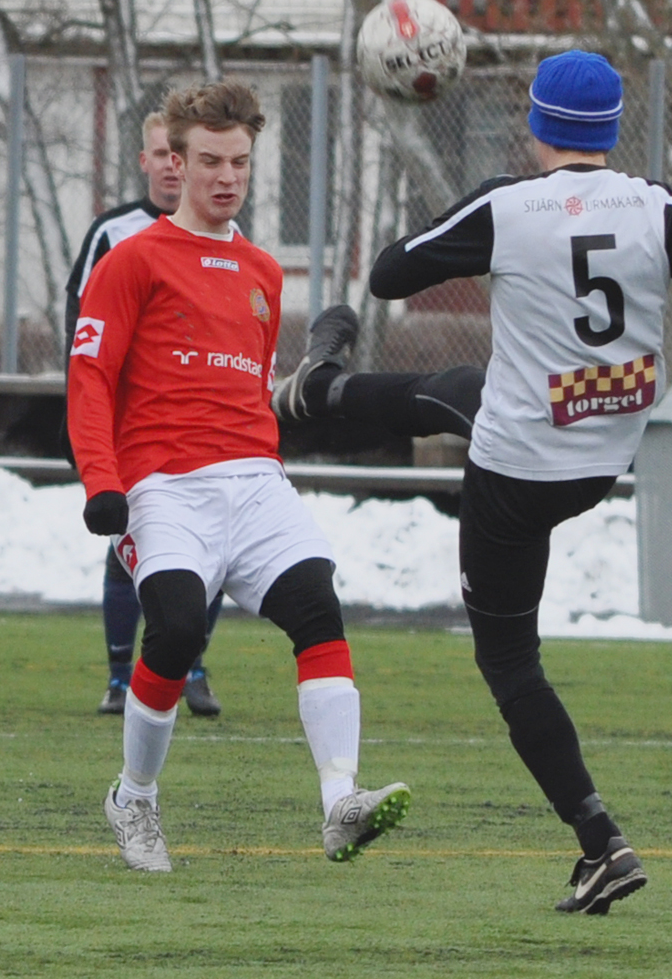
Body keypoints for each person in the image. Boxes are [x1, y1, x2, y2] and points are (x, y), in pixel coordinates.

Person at [274, 50, 672, 913]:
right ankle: (320, 389)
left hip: (516, 470)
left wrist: (465, 221)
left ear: (534, 124)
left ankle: (601, 841)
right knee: (462, 388)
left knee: (507, 659)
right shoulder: (651, 204)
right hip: (599, 457)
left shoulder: (508, 205)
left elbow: (386, 274)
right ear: (611, 129)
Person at [66, 80, 411, 873]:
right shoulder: (132, 259)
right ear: (178, 162)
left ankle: (340, 802)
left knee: (317, 605)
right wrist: (101, 481)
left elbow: (247, 386)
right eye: (210, 161)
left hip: (254, 478)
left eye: (240, 162)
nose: (227, 177)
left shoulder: (260, 268)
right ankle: (134, 797)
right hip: (163, 483)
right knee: (178, 628)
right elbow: (89, 377)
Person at [65, 111, 222, 718]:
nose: (170, 166)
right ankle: (118, 675)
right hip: (130, 428)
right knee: (126, 545)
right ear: (147, 161)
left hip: (199, 430)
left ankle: (192, 669)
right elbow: (83, 331)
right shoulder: (114, 232)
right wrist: (86, 419)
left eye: (177, 155)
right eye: (159, 154)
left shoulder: (222, 235)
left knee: (209, 549)